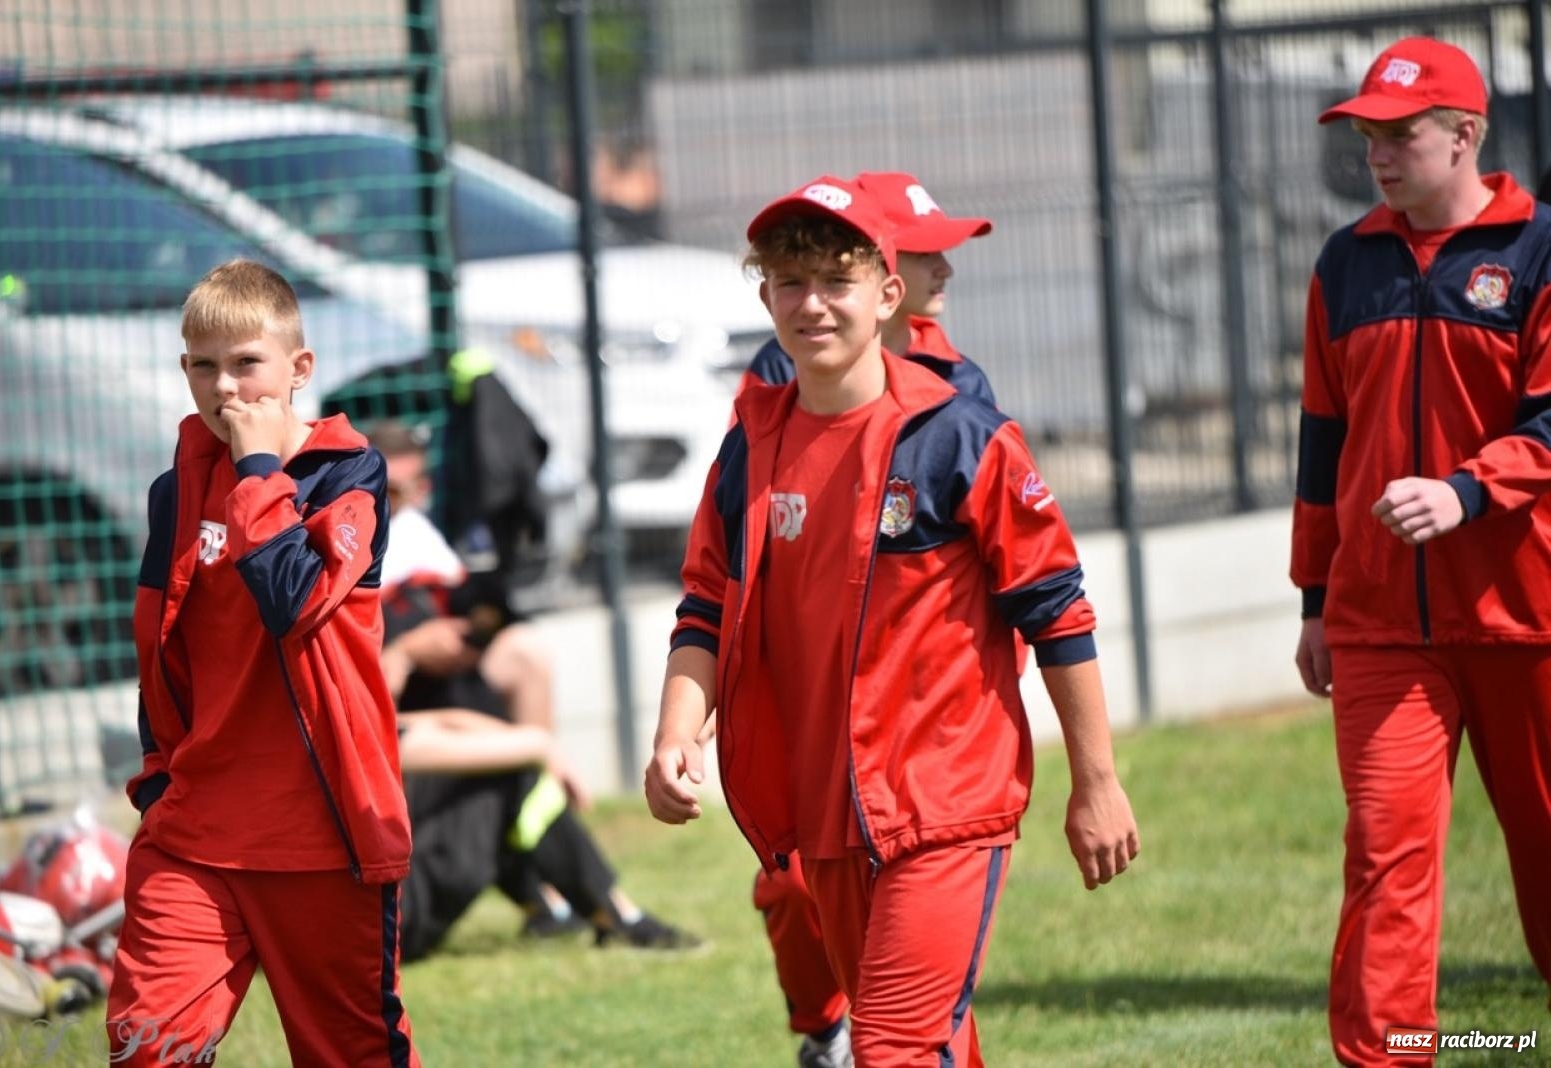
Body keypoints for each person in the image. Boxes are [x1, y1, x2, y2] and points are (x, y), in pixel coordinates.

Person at [646, 175, 1138, 1066]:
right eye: (791, 283)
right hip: (826, 812)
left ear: (887, 294)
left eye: (837, 281)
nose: (813, 304)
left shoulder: (958, 435)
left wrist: (1097, 782)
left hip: (946, 802)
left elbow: (1056, 607)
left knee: (895, 1048)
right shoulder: (749, 446)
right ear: (765, 297)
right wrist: (677, 734)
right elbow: (707, 606)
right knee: (930, 1042)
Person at [1292, 37, 1551, 1065]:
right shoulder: (1343, 262)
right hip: (1376, 625)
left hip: (1525, 615)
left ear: (1465, 136)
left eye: (1400, 134)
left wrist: (1465, 492)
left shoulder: (1537, 249)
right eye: (1368, 137)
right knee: (1386, 865)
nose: (1379, 155)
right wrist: (1313, 598)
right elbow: (1321, 438)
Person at [107, 260, 420, 1066]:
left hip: (324, 841)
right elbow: (158, 645)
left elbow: (295, 599)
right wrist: (159, 775)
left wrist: (255, 473)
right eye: (203, 366)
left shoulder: (348, 475)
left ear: (298, 369)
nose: (226, 388)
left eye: (246, 363)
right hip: (193, 831)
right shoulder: (173, 492)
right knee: (149, 1050)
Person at [737, 170, 1001, 1068]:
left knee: (898, 1037)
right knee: (790, 893)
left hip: (934, 777)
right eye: (931, 251)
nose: (945, 269)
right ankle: (820, 1029)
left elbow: (1028, 584)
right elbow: (727, 576)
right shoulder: (775, 396)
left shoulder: (954, 400)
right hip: (816, 759)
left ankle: (841, 1036)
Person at [369, 421, 699, 956]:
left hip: (410, 762)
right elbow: (386, 731)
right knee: (505, 773)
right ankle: (610, 911)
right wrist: (536, 749)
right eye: (393, 491)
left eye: (415, 486)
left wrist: (536, 746)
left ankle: (579, 906)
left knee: (506, 758)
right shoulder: (339, 564)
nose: (406, 501)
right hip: (384, 926)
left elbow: (424, 726)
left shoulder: (418, 542)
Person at [738, 170, 996, 408]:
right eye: (924, 252)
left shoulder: (959, 379)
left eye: (837, 280)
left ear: (888, 293)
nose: (945, 269)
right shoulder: (781, 364)